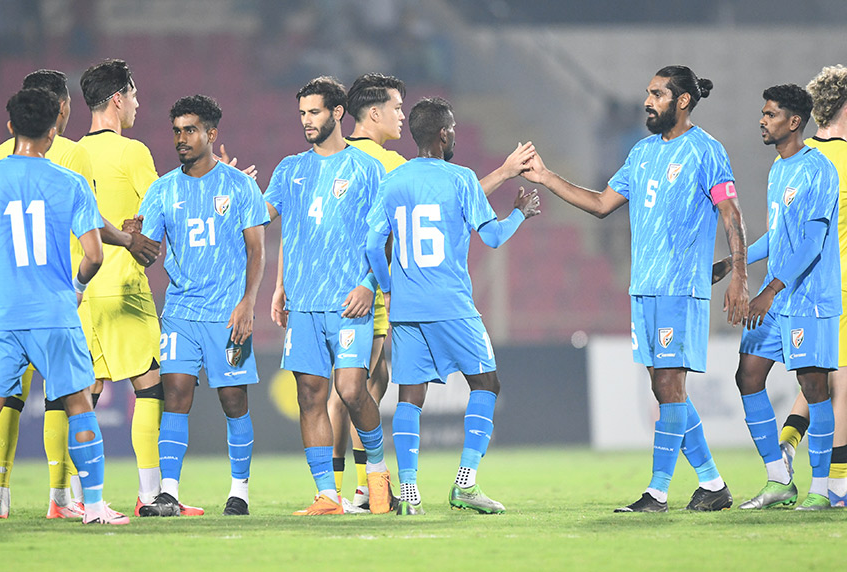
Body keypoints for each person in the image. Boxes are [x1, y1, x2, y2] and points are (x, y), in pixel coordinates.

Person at [521, 65, 750, 512]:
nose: (648, 101)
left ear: (682, 101)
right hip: (644, 287)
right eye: (648, 93)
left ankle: (657, 492)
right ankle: (713, 485)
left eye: (658, 94)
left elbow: (731, 213)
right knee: (664, 390)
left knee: (668, 383)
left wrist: (739, 274)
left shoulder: (706, 150)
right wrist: (547, 179)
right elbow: (602, 204)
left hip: (680, 287)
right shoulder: (642, 152)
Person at [328, 72, 536, 510]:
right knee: (486, 383)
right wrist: (519, 213)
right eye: (454, 129)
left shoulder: (395, 181)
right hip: (452, 305)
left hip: (406, 310)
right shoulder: (460, 179)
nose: (456, 135)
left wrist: (386, 289)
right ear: (443, 135)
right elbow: (494, 238)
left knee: (410, 397)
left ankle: (408, 492)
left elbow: (370, 244)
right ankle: (465, 482)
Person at [0, 69, 157, 521]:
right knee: (92, 393)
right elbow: (95, 220)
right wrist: (130, 238)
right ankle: (81, 498)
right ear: (60, 109)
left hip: (7, 296)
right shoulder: (77, 155)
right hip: (71, 290)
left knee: (13, 399)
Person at [0, 87, 127, 527]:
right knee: (79, 408)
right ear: (53, 132)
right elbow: (93, 254)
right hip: (55, 314)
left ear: (10, 126)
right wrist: (76, 286)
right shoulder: (68, 183)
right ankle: (92, 506)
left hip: (3, 315)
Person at [263, 76, 393, 515]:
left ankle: (377, 479)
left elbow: (384, 236)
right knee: (309, 396)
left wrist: (369, 285)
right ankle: (327, 494)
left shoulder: (367, 169)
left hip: (349, 301)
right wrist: (279, 287)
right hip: (303, 304)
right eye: (301, 113)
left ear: (337, 113)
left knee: (353, 390)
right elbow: (268, 220)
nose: (306, 121)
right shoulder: (289, 168)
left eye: (314, 112)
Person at [137, 95, 267, 517]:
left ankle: (239, 491)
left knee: (233, 399)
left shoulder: (239, 186)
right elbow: (148, 251)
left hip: (228, 313)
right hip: (180, 312)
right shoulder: (162, 189)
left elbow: (256, 250)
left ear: (211, 134)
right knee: (174, 393)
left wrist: (248, 303)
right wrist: (131, 239)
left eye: (190, 130)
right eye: (176, 130)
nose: (181, 138)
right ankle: (168, 493)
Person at [76, 59, 185, 515]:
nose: (138, 105)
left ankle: (70, 499)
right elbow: (166, 207)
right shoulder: (133, 152)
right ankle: (149, 494)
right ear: (118, 97)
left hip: (81, 287)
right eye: (135, 96)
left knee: (84, 394)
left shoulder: (70, 153)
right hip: (124, 284)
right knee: (150, 388)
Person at [729, 84, 839, 511]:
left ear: (794, 122)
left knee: (813, 387)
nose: (762, 120)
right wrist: (734, 260)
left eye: (770, 114)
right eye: (762, 113)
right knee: (748, 375)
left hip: (808, 298)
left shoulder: (819, 169)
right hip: (780, 296)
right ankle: (779, 479)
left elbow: (812, 242)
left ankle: (823, 489)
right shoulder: (779, 169)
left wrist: (769, 290)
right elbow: (779, 235)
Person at [767, 65, 847, 507]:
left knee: (817, 381)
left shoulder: (796, 158)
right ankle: (835, 483)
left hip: (801, 288)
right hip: (840, 288)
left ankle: (787, 443)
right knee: (842, 387)